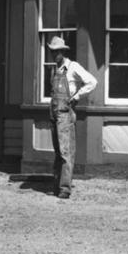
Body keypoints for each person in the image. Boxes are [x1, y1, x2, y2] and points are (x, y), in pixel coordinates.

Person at [46, 35, 97, 199]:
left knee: (66, 151)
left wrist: (76, 97)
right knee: (57, 152)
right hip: (54, 114)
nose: (53, 55)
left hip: (65, 115)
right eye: (51, 52)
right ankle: (57, 185)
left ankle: (65, 188)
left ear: (62, 52)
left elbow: (92, 82)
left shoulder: (73, 67)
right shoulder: (55, 69)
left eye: (56, 52)